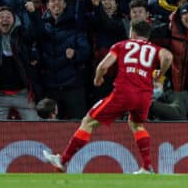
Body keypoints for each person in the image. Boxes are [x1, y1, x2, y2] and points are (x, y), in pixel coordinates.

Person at [43, 20, 173, 174]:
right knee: (136, 125)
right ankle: (147, 166)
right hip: (144, 95)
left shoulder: (121, 45)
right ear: (147, 35)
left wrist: (98, 78)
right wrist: (160, 73)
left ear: (133, 32)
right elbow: (168, 57)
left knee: (89, 121)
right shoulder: (154, 48)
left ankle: (63, 161)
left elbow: (103, 66)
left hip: (124, 93)